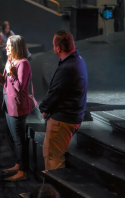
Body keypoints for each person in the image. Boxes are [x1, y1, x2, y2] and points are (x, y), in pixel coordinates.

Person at [39, 30, 88, 170]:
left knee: (53, 160)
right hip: (72, 116)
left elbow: (55, 92)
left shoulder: (67, 67)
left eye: (54, 45)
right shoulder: (78, 60)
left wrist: (44, 108)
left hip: (62, 121)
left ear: (58, 48)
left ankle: (54, 191)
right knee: (52, 157)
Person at [0, 35, 32, 181]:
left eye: (9, 45)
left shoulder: (23, 63)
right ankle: (18, 164)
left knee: (19, 140)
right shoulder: (11, 61)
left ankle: (23, 171)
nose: (6, 47)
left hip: (18, 108)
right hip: (9, 105)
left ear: (16, 47)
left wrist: (11, 73)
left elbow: (20, 88)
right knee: (14, 138)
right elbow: (7, 84)